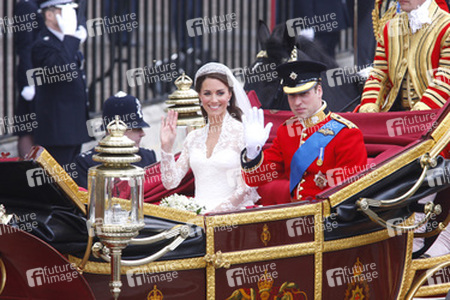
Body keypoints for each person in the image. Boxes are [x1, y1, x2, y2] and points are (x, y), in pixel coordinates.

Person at [241, 60, 367, 203]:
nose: (297, 102)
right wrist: (253, 153)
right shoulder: (286, 131)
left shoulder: (346, 133)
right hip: (293, 214)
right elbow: (255, 179)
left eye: (304, 94)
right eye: (292, 96)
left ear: (319, 91)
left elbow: (350, 192)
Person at [160, 62, 259, 213]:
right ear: (199, 96)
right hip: (198, 215)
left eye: (220, 93)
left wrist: (211, 215)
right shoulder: (193, 137)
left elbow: (246, 189)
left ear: (229, 94)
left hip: (232, 216)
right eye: (207, 93)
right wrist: (166, 148)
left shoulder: (242, 133)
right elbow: (170, 182)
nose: (213, 100)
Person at [359, 0, 450, 113]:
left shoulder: (447, 26)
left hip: (438, 114)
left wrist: (423, 108)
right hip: (396, 112)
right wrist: (370, 105)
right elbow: (379, 74)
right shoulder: (389, 27)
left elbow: (446, 76)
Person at [31, 0, 90, 166]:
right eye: (64, 11)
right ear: (49, 15)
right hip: (57, 131)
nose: (71, 17)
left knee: (71, 181)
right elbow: (61, 69)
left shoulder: (64, 42)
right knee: (58, 181)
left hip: (73, 128)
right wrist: (70, 36)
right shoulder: (43, 43)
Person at [72, 91, 157, 189]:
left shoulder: (148, 157)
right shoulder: (86, 163)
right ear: (115, 130)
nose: (142, 134)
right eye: (137, 129)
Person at [14, 0, 44, 157]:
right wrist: (28, 81)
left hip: (42, 75)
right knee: (28, 127)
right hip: (31, 75)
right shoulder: (27, 7)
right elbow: (25, 48)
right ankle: (26, 168)